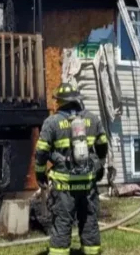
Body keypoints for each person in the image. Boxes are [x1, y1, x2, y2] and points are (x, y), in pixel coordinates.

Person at [35, 83, 109, 255]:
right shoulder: (92, 119)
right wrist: (99, 166)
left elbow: (41, 152)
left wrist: (40, 173)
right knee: (89, 219)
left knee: (62, 222)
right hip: (87, 183)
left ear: (59, 102)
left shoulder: (52, 122)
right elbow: (103, 146)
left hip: (64, 185)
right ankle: (91, 251)